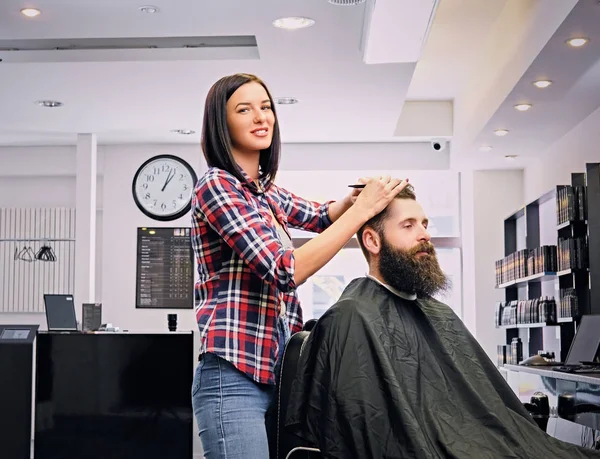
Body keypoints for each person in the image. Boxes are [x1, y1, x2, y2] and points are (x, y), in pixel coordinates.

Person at [285, 184, 600, 458]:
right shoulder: (352, 316)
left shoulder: (439, 314)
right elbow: (368, 430)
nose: (424, 234)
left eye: (424, 223)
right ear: (372, 241)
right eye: (408, 226)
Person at [190, 72, 408, 459]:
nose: (262, 117)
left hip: (279, 376)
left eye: (266, 107)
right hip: (233, 376)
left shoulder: (265, 193)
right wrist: (362, 212)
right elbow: (284, 269)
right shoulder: (217, 185)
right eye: (245, 109)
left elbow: (321, 215)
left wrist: (357, 197)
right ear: (222, 125)